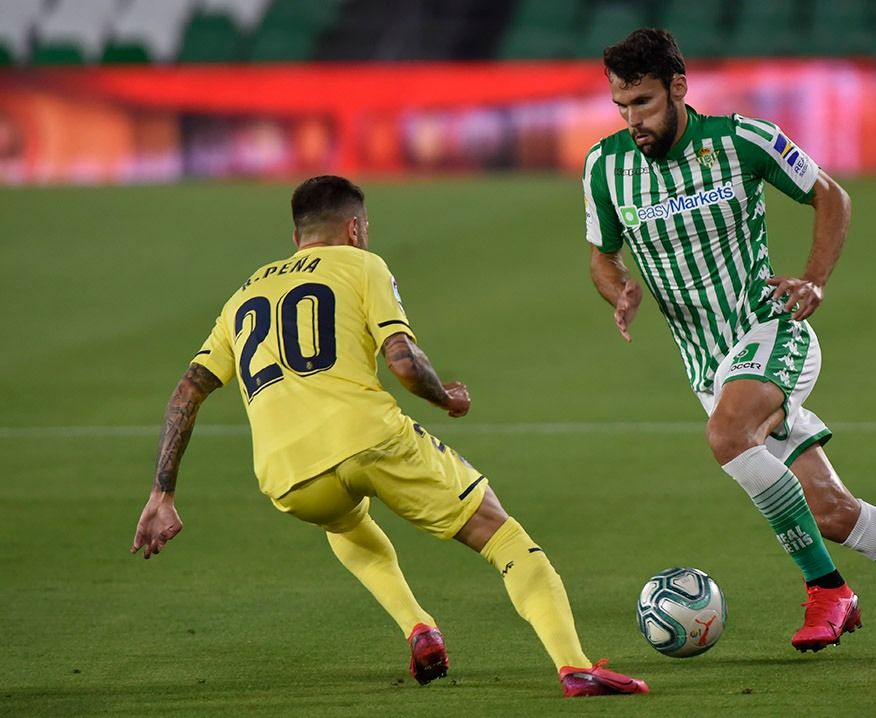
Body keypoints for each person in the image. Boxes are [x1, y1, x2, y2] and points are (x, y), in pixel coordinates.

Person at [583, 29, 876, 656]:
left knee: (728, 437)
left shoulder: (742, 140)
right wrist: (618, 290)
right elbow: (601, 257)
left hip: (772, 331)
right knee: (833, 511)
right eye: (621, 106)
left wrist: (815, 279)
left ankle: (826, 588)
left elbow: (830, 195)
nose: (632, 119)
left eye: (642, 102)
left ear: (677, 88)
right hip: (709, 368)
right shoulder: (605, 166)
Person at [131, 175, 649, 698]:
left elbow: (186, 392)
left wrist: (162, 493)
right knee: (502, 534)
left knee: (344, 523)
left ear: (296, 238)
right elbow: (402, 361)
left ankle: (418, 626)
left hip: (286, 477)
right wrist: (445, 397)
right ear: (354, 228)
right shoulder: (363, 264)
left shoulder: (242, 295)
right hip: (369, 439)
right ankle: (574, 666)